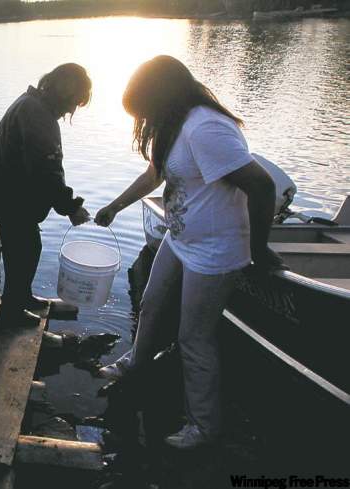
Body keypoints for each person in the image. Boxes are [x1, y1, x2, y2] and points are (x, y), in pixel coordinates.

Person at [95, 55, 285, 450]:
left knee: (194, 337)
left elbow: (261, 186)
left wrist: (258, 249)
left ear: (162, 95)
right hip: (179, 239)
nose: (143, 119)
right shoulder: (173, 124)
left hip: (215, 251)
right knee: (150, 302)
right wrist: (115, 205)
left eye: (144, 108)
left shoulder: (206, 128)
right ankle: (135, 362)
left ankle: (204, 426)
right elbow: (155, 173)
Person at [0, 63, 91, 327]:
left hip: (2, 189)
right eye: (75, 102)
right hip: (4, 196)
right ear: (64, 93)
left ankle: (22, 298)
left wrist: (65, 203)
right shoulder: (38, 116)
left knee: (27, 246)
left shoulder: (30, 103)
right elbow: (46, 173)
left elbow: (42, 172)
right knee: (24, 250)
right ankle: (10, 314)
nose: (72, 110)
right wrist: (71, 207)